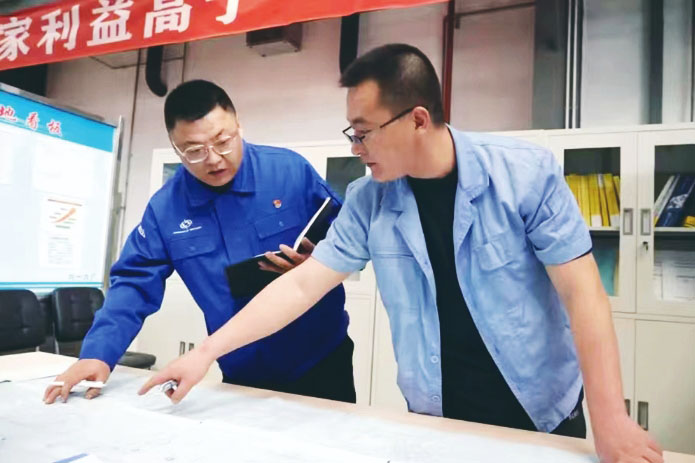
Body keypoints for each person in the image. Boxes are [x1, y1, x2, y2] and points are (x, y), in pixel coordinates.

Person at [140, 46, 663, 463]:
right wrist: (205, 353)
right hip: (436, 414)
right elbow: (301, 285)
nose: (355, 147)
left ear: (417, 119)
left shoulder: (525, 175)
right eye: (352, 133)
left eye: (364, 132)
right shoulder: (369, 200)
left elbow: (584, 295)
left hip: (539, 411)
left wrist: (611, 418)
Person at [44, 80, 355, 405]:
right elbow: (134, 284)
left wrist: (317, 263)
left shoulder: (289, 171)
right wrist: (98, 353)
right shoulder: (166, 209)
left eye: (223, 141)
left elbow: (347, 239)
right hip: (241, 368)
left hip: (321, 358)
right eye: (194, 150)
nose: (214, 159)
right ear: (175, 147)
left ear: (238, 126)